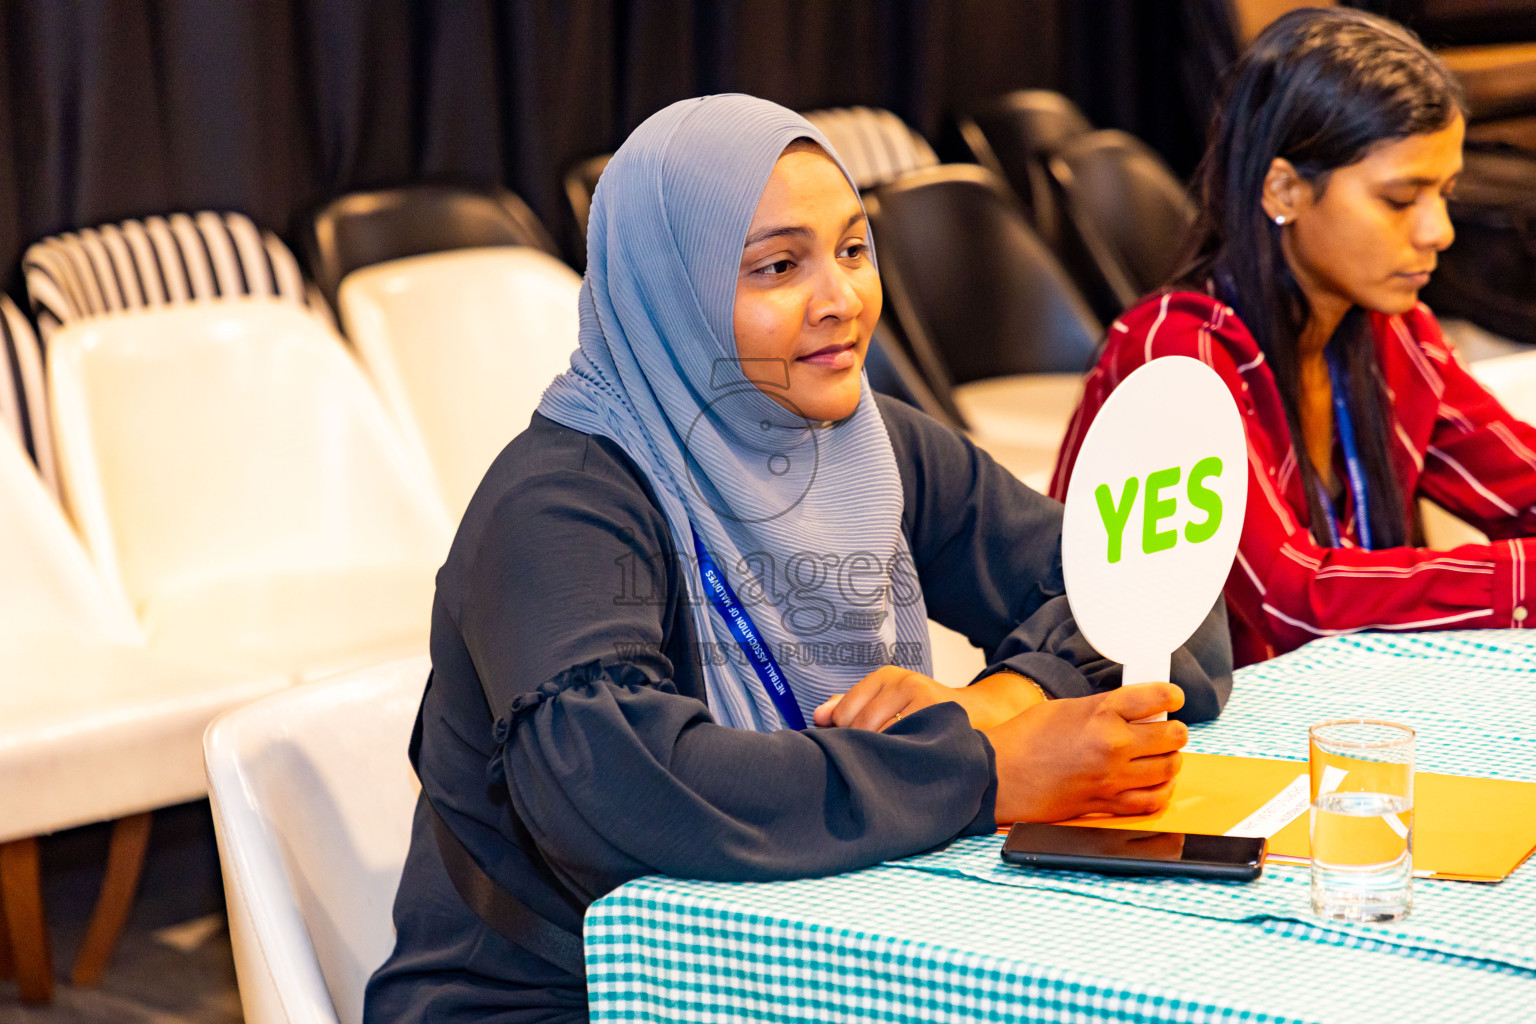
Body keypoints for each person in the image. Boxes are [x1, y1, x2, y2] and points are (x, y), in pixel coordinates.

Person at [364, 94, 1230, 1022]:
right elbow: (624, 795)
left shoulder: (871, 444)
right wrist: (977, 771)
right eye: (778, 266)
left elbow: (1163, 607)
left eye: (853, 249)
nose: (842, 301)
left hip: (820, 960)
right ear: (670, 288)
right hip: (564, 998)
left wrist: (999, 704)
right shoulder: (560, 502)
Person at [1052, 8, 1536, 668]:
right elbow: (1290, 602)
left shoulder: (1398, 337)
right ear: (1283, 189)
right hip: (1150, 732)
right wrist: (1514, 582)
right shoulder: (1173, 352)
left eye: (1445, 193)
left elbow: (1524, 487)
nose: (1438, 230)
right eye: (1401, 199)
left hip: (1319, 710)